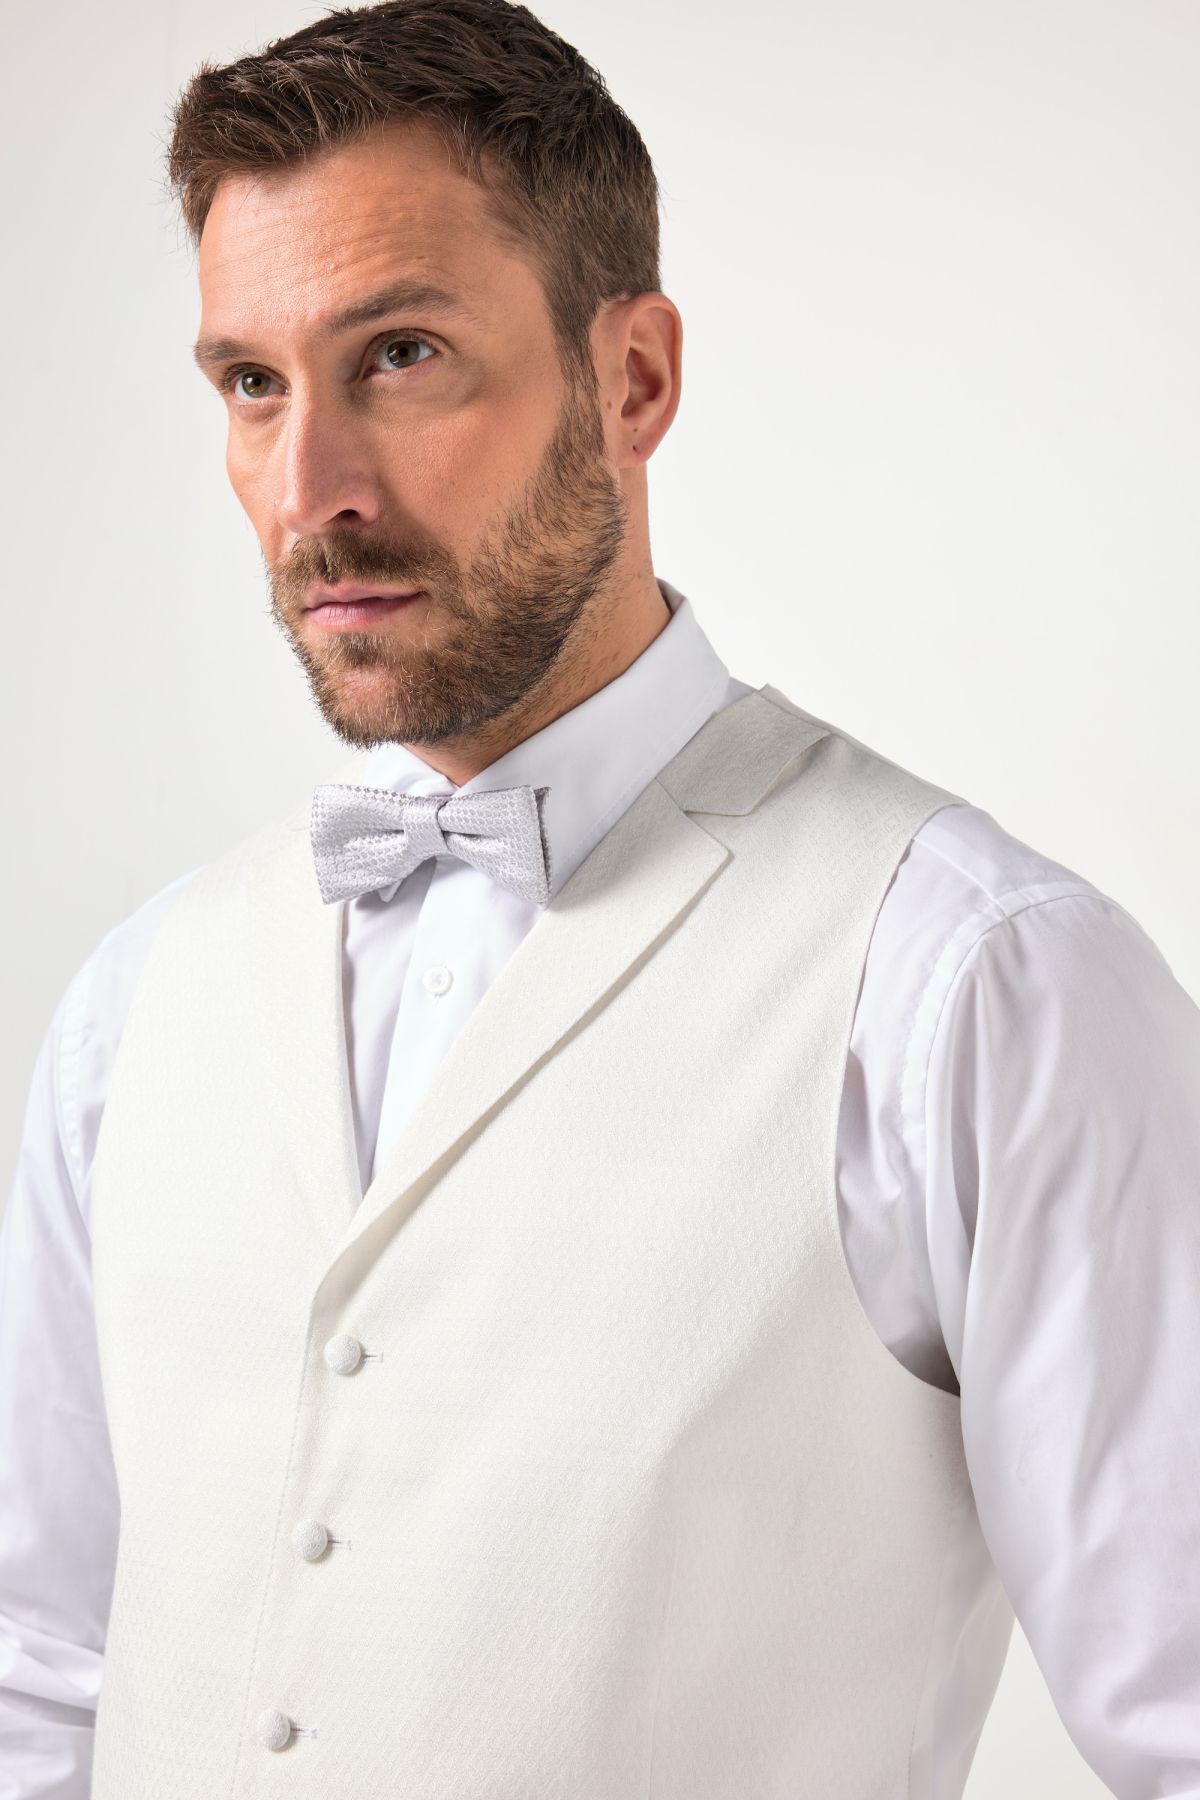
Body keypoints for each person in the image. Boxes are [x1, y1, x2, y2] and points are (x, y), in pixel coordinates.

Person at [1, 1, 1197, 1794]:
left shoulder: (973, 988)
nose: (310, 491)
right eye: (251, 384)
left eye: (400, 354)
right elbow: (40, 1676)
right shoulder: (135, 1007)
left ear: (632, 380)